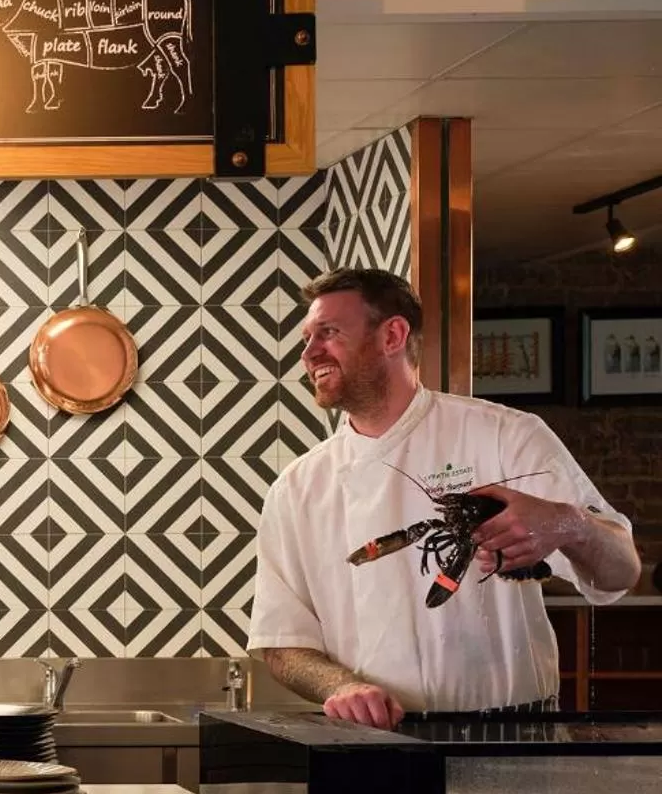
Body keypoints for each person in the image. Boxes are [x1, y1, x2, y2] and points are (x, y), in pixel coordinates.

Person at [249, 269, 640, 725]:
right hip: (371, 736)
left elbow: (622, 570)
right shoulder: (297, 487)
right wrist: (341, 686)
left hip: (514, 728)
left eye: (329, 333)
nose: (309, 352)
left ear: (392, 334)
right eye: (307, 337)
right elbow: (280, 642)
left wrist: (568, 522)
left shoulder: (505, 435)